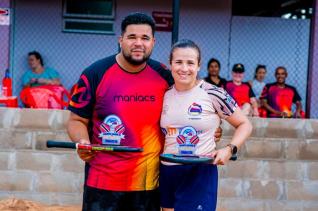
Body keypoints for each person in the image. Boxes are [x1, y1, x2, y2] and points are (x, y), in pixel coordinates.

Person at [67, 13, 222, 211]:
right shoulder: (95, 73)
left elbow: (193, 107)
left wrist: (212, 129)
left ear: (153, 42)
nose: (138, 43)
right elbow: (76, 120)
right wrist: (83, 142)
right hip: (102, 182)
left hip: (147, 184)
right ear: (121, 39)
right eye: (132, 37)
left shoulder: (166, 76)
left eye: (145, 38)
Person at [159, 39, 252, 211]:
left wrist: (229, 149)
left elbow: (245, 124)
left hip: (199, 172)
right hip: (168, 169)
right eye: (178, 62)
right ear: (170, 64)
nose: (184, 68)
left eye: (190, 63)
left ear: (199, 66)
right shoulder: (165, 94)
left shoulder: (213, 93)